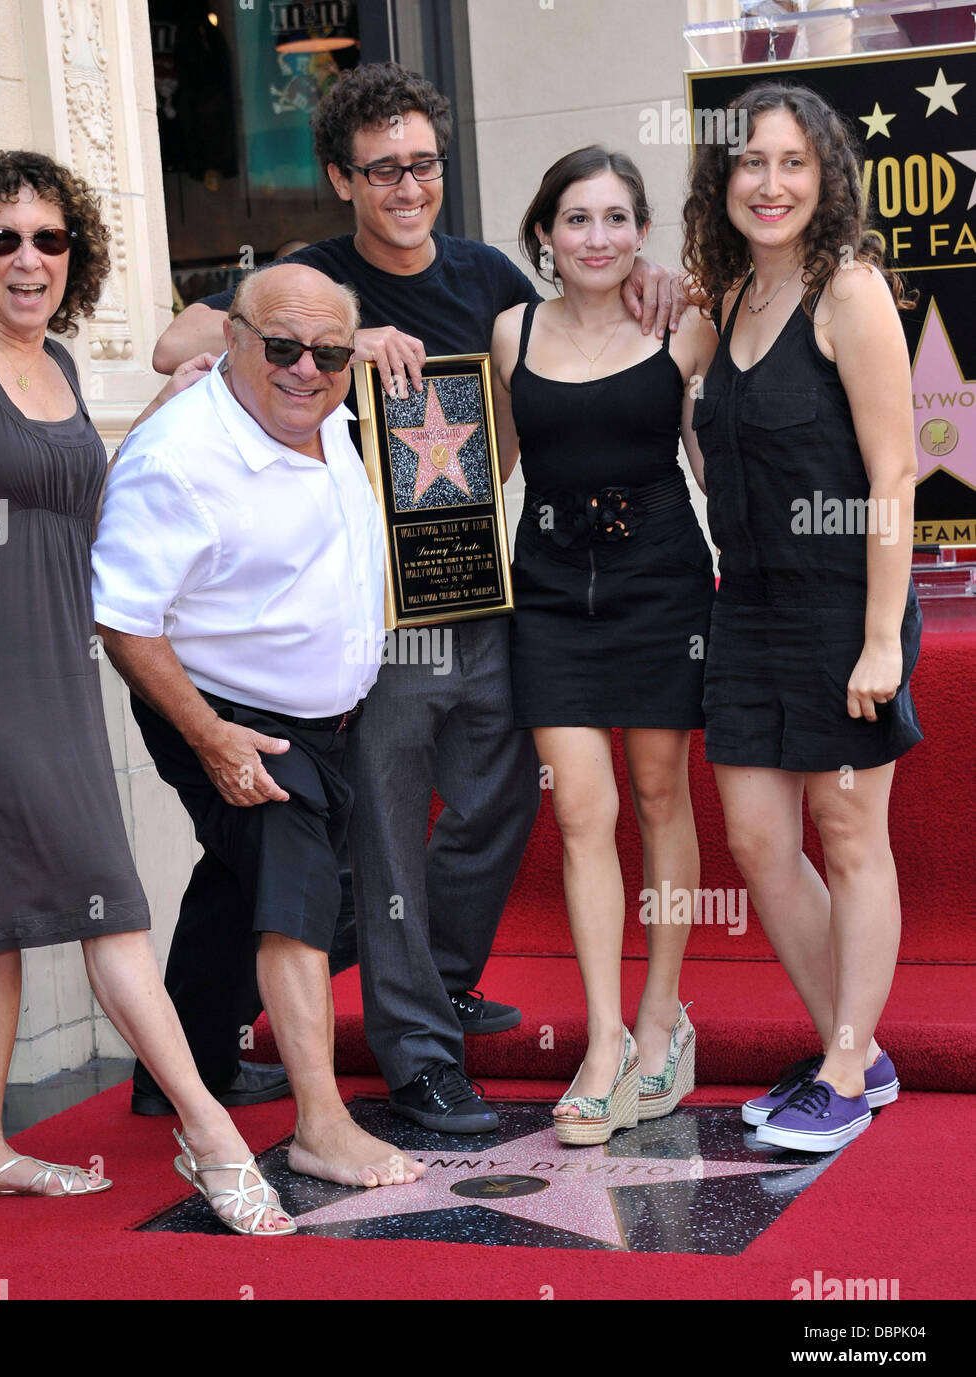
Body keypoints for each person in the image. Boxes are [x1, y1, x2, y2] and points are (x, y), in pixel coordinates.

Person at [149, 62, 687, 1133]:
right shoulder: (310, 274)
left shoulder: (488, 273)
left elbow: (568, 344)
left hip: (485, 588)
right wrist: (336, 336)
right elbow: (175, 343)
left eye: (424, 165)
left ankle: (432, 973)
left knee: (502, 800)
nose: (407, 187)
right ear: (344, 180)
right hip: (372, 610)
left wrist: (647, 280)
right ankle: (416, 1049)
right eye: (382, 170)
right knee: (390, 828)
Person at [0, 150, 294, 1234]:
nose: (27, 259)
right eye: (2, 238)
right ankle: (211, 1133)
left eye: (48, 239)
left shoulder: (55, 363)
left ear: (74, 255)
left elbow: (92, 511)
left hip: (63, 671)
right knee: (111, 900)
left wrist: (161, 409)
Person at [92, 261, 425, 1188]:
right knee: (298, 898)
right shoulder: (179, 455)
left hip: (322, 714)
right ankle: (322, 1124)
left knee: (249, 883)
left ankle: (186, 1070)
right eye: (281, 347)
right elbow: (123, 619)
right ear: (230, 340)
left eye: (328, 351)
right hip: (230, 712)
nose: (306, 369)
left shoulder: (329, 410)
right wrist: (212, 738)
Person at [682, 84, 921, 1153]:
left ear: (824, 179)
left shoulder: (848, 290)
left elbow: (894, 468)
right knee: (758, 839)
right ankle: (854, 1051)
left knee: (846, 832)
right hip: (748, 608)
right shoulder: (726, 297)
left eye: (791, 164)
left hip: (842, 607)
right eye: (749, 164)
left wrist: (879, 636)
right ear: (721, 181)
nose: (768, 184)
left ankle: (842, 1061)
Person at [490, 148, 717, 1144]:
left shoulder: (682, 322)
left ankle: (663, 1017)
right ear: (544, 232)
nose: (597, 238)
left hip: (662, 583)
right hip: (545, 592)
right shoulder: (510, 330)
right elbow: (480, 462)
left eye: (617, 219)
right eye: (576, 219)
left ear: (642, 231)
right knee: (583, 812)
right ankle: (602, 1040)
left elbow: (717, 462)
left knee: (662, 797)